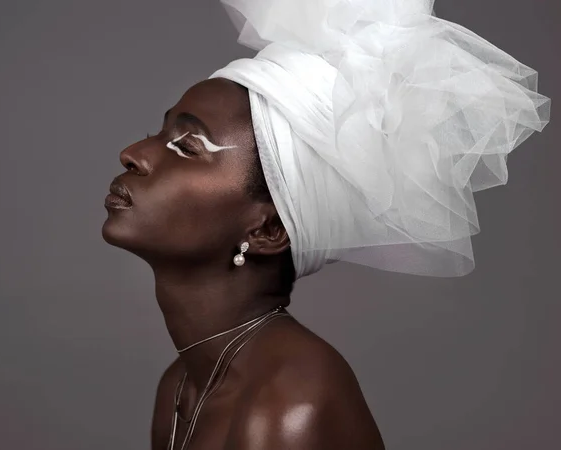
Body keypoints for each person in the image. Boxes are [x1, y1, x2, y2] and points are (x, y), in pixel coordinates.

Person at [101, 1, 550, 449]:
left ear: (268, 229)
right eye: (159, 134)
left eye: (188, 146)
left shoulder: (289, 404)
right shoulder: (180, 384)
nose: (133, 152)